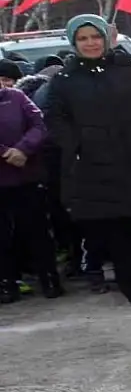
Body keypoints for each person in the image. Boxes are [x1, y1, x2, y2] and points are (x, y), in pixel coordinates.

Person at [45, 14, 131, 305]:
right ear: (74, 43)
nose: (91, 43)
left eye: (95, 36)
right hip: (97, 163)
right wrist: (78, 146)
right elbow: (56, 120)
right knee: (117, 230)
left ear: (105, 38)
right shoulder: (65, 80)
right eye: (83, 38)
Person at [0, 80, 62, 303]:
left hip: (27, 175)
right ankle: (7, 283)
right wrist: (6, 152)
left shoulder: (16, 97)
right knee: (3, 237)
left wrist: (24, 149)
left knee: (38, 230)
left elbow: (39, 125)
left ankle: (49, 279)